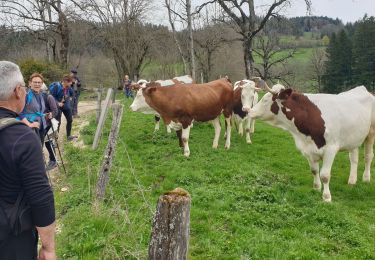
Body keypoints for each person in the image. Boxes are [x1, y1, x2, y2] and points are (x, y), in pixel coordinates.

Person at [0, 61, 56, 259]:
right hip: (11, 236)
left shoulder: (44, 96)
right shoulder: (22, 137)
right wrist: (48, 247)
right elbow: (40, 194)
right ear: (18, 90)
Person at [18, 73, 48, 143]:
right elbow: (19, 112)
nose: (37, 84)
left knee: (40, 147)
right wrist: (29, 124)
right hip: (30, 128)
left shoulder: (42, 94)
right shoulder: (26, 95)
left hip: (41, 126)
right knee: (33, 150)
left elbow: (40, 110)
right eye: (35, 82)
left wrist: (46, 115)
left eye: (39, 82)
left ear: (42, 84)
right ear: (30, 83)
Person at [49, 75, 77, 141]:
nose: (71, 84)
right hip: (57, 107)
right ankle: (55, 140)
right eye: (69, 82)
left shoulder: (68, 87)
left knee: (70, 120)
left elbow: (73, 94)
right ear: (65, 82)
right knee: (58, 123)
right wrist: (57, 103)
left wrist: (70, 99)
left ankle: (68, 136)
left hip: (66, 106)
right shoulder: (56, 87)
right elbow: (50, 97)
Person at [41, 83, 59, 171]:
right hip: (36, 123)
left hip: (47, 123)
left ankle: (53, 160)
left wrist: (50, 115)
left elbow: (55, 111)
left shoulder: (49, 97)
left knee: (48, 142)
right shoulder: (31, 97)